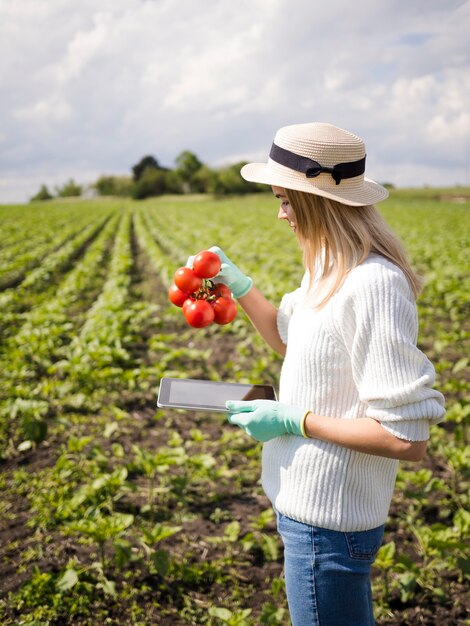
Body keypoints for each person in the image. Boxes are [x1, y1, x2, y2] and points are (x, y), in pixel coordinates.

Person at [207, 123, 446, 626]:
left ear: (317, 201)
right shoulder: (329, 267)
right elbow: (289, 340)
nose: (280, 213)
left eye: (286, 200)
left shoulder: (373, 284)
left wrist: (297, 420)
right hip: (305, 513)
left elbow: (406, 438)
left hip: (329, 527)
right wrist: (239, 284)